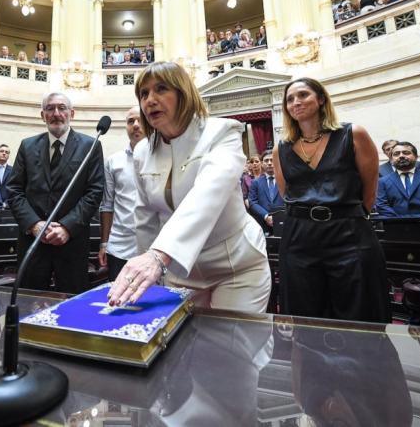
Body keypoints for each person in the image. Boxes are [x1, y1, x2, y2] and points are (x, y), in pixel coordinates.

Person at [107, 62, 271, 313]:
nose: (150, 100)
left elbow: (208, 194)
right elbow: (145, 217)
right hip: (179, 272)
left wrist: (156, 257)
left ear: (183, 94)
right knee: (183, 346)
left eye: (161, 89)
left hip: (237, 267)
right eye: (144, 93)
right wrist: (146, 270)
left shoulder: (223, 131)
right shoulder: (142, 151)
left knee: (233, 348)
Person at [272, 77, 389, 323]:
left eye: (303, 95)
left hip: (348, 233)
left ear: (321, 99)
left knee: (361, 312)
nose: (296, 102)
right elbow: (286, 194)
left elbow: (369, 191)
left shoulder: (353, 134)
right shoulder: (281, 148)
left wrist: (344, 216)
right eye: (290, 99)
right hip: (298, 238)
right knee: (306, 317)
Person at [7, 92, 104, 293]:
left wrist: (67, 227)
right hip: (33, 241)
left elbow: (94, 192)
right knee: (28, 300)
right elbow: (14, 190)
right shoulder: (27, 145)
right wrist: (34, 225)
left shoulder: (91, 145)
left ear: (72, 113)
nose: (56, 113)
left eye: (62, 108)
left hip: (72, 241)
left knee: (71, 304)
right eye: (50, 109)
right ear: (43, 115)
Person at [99, 106, 146, 281]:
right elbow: (107, 204)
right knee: (117, 301)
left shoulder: (162, 156)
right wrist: (104, 243)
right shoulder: (113, 161)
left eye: (140, 120)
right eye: (130, 121)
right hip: (119, 246)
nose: (135, 125)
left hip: (151, 246)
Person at [249, 150, 285, 231]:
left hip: (283, 222)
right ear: (262, 163)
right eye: (266, 160)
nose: (269, 163)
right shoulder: (256, 182)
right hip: (262, 223)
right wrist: (266, 216)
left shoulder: (284, 181)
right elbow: (252, 202)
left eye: (272, 160)